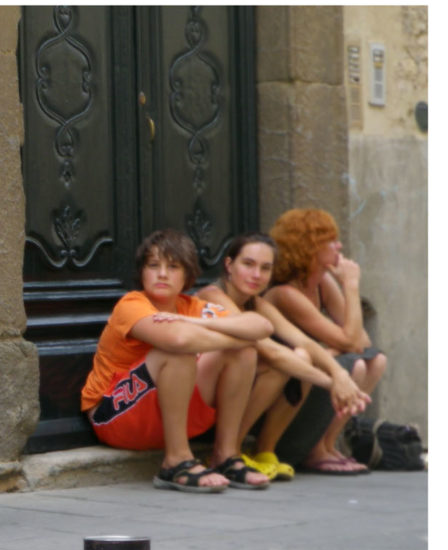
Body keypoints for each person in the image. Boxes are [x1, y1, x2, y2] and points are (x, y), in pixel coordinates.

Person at [81, 229, 273, 493]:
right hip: (114, 417)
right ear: (142, 272)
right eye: (153, 265)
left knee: (245, 353)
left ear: (187, 275)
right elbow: (178, 341)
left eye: (173, 266)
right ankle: (175, 461)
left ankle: (225, 456)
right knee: (178, 353)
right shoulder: (132, 304)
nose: (162, 274)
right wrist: (235, 336)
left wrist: (191, 320)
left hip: (166, 413)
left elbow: (261, 326)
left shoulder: (191, 307)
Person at [196, 234, 371, 478]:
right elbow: (271, 351)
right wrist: (333, 383)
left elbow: (305, 343)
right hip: (198, 411)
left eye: (265, 268)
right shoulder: (212, 296)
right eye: (248, 264)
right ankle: (225, 452)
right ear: (228, 265)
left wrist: (340, 373)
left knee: (300, 356)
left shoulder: (256, 303)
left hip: (233, 402)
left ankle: (261, 451)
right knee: (279, 359)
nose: (257, 274)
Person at [263, 208, 386, 474]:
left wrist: (335, 345)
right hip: (288, 392)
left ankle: (328, 444)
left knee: (376, 361)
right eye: (330, 240)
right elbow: (352, 344)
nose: (339, 246)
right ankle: (314, 449)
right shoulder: (285, 293)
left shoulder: (322, 282)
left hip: (315, 372)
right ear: (309, 247)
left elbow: (361, 341)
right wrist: (351, 287)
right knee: (357, 365)